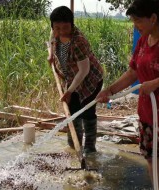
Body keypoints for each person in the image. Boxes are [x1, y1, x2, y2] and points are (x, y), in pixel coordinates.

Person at [96, 0, 159, 189]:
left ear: (153, 18)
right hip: (147, 111)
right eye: (133, 21)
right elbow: (133, 73)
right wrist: (110, 91)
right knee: (152, 156)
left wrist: (156, 83)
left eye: (138, 21)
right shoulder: (144, 39)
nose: (135, 26)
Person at [48, 6, 104, 154]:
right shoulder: (55, 32)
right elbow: (52, 37)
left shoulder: (78, 41)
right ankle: (74, 145)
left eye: (65, 27)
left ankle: (90, 148)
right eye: (57, 27)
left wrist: (69, 91)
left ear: (72, 25)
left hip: (90, 80)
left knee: (87, 111)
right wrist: (51, 55)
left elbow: (84, 70)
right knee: (73, 112)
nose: (61, 31)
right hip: (73, 77)